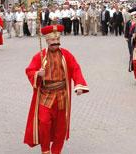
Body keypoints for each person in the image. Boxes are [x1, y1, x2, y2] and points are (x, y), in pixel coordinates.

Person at [24, 24, 89, 153]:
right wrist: (38, 74)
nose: (56, 43)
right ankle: (45, 150)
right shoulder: (40, 56)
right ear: (47, 41)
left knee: (60, 127)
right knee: (43, 122)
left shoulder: (66, 55)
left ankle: (56, 151)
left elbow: (75, 68)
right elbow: (30, 70)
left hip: (62, 95)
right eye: (53, 40)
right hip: (45, 95)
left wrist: (79, 85)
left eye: (57, 40)